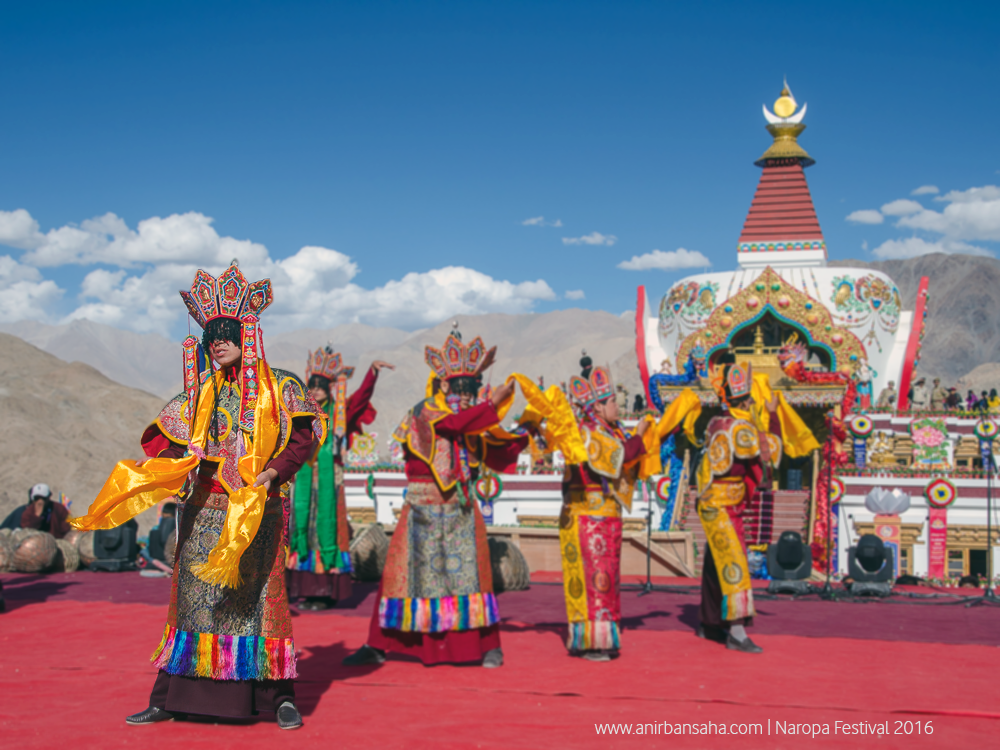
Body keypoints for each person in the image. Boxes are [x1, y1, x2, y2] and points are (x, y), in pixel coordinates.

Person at [70, 261, 325, 730]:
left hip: (256, 511)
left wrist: (269, 474)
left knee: (256, 603)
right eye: (211, 337)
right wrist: (175, 462)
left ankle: (279, 697)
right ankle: (169, 696)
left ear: (247, 334)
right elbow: (161, 439)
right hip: (203, 511)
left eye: (227, 333)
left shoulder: (280, 385)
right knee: (194, 599)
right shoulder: (199, 391)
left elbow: (303, 440)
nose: (218, 343)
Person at [342, 329, 526, 669]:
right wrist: (490, 405)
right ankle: (378, 644)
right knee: (401, 577)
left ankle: (488, 645)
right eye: (461, 388)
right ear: (443, 386)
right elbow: (452, 425)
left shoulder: (474, 422)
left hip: (461, 509)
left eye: (472, 389)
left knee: (474, 577)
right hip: (423, 508)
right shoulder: (424, 412)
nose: (467, 395)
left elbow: (496, 454)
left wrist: (528, 431)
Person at [287, 346, 394, 610]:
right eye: (312, 385)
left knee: (327, 529)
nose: (317, 390)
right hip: (303, 480)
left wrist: (372, 374)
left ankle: (324, 592)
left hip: (329, 484)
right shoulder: (299, 412)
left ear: (330, 387)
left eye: (322, 385)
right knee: (303, 529)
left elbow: (360, 398)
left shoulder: (340, 412)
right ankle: (303, 588)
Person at [560, 362, 649, 660]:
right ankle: (592, 641)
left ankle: (597, 638)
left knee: (605, 579)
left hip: (602, 517)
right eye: (612, 401)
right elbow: (620, 457)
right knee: (595, 581)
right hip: (589, 518)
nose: (618, 406)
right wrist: (639, 433)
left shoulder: (604, 429)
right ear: (597, 408)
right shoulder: (590, 432)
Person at [696, 363, 783, 654]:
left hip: (712, 501)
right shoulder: (740, 428)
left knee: (714, 562)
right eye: (751, 402)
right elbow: (770, 451)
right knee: (735, 562)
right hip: (723, 505)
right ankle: (736, 630)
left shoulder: (715, 422)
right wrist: (771, 416)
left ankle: (710, 623)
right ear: (745, 402)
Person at [1, 484, 72, 539]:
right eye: (36, 498)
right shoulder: (25, 511)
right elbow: (26, 530)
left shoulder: (58, 508)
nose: (40, 501)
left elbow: (65, 530)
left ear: (48, 497)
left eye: (43, 498)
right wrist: (37, 516)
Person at [140, 502, 177, 575]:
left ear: (162, 514)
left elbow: (148, 546)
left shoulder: (155, 528)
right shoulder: (178, 530)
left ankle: (158, 564)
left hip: (157, 558)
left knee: (143, 551)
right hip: (171, 560)